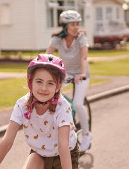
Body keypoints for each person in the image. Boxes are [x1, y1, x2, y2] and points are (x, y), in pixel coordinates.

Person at [0, 54, 79, 169]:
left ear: (58, 86)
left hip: (65, 155)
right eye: (39, 81)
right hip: (39, 153)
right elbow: (7, 141)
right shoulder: (22, 105)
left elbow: (63, 146)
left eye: (50, 83)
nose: (43, 88)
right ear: (30, 82)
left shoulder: (62, 106)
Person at [46, 10, 92, 152]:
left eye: (77, 24)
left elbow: (84, 57)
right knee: (51, 97)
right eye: (72, 24)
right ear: (65, 26)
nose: (76, 27)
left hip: (81, 75)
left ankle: (86, 134)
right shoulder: (57, 39)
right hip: (65, 74)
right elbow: (46, 56)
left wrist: (82, 73)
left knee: (78, 103)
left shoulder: (81, 38)